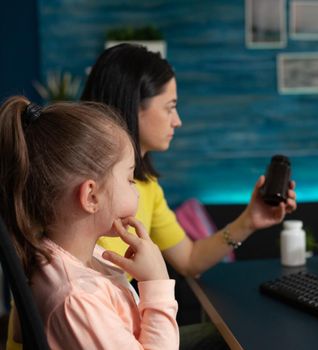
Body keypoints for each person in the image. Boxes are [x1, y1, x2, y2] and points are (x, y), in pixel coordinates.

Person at [80, 44, 297, 348]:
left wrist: (250, 220)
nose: (177, 120)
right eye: (170, 107)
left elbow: (189, 260)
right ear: (133, 106)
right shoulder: (79, 192)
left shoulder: (148, 187)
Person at [0, 97, 179, 349]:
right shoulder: (77, 299)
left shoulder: (72, 257)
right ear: (91, 196)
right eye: (129, 179)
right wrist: (156, 282)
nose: (137, 191)